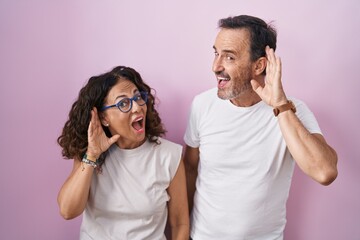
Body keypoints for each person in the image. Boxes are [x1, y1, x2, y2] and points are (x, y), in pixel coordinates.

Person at [183, 15, 338, 240]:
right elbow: (190, 168)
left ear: (259, 65)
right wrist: (182, 229)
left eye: (229, 57)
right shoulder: (202, 105)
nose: (216, 66)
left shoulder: (292, 110)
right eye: (216, 53)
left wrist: (280, 106)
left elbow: (325, 172)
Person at [57, 66, 189, 240]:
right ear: (104, 118)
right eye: (123, 103)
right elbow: (68, 211)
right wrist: (92, 154)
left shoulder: (169, 155)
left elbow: (180, 223)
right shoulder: (88, 153)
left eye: (138, 97)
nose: (136, 107)